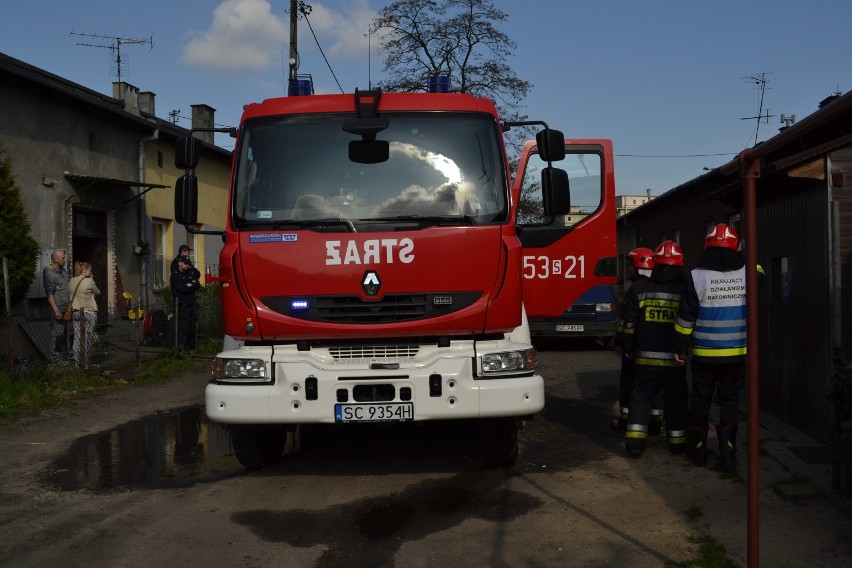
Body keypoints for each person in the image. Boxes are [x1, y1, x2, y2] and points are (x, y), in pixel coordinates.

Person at [674, 223, 747, 470]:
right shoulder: (749, 273)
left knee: (701, 401)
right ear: (735, 247)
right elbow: (762, 276)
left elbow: (686, 318)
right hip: (736, 353)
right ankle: (728, 456)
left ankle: (698, 453)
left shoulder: (696, 276)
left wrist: (679, 347)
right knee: (729, 402)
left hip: (704, 354)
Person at [623, 240, 688, 457]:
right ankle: (677, 443)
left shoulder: (639, 289)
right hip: (674, 360)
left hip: (644, 358)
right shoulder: (685, 290)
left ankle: (635, 444)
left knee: (640, 398)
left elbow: (630, 325)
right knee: (675, 399)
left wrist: (628, 348)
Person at [611, 247, 655, 431]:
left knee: (630, 385)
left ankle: (626, 420)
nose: (628, 270)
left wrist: (622, 344)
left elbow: (627, 323)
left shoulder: (634, 291)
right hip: (650, 347)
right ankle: (653, 422)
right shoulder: (654, 287)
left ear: (639, 266)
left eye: (630, 265)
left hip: (633, 348)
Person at [42, 249, 73, 366]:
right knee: (58, 334)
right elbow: (49, 294)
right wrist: (55, 310)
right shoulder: (49, 273)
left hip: (67, 307)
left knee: (67, 333)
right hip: (58, 308)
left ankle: (70, 356)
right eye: (63, 258)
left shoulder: (64, 271)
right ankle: (56, 359)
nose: (65, 260)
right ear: (55, 259)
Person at [69, 261, 100, 369]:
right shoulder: (89, 281)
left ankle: (78, 363)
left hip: (76, 312)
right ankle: (86, 363)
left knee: (77, 337)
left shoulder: (72, 280)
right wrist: (92, 278)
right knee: (87, 338)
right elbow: (97, 292)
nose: (91, 272)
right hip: (89, 312)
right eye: (90, 270)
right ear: (85, 271)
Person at [171, 257, 201, 351]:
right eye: (185, 264)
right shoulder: (175, 275)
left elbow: (197, 285)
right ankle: (183, 349)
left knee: (191, 327)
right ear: (180, 263)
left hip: (191, 303)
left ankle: (190, 347)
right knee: (183, 327)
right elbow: (182, 289)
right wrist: (190, 285)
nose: (187, 266)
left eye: (188, 264)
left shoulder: (189, 273)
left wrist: (190, 284)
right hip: (182, 304)